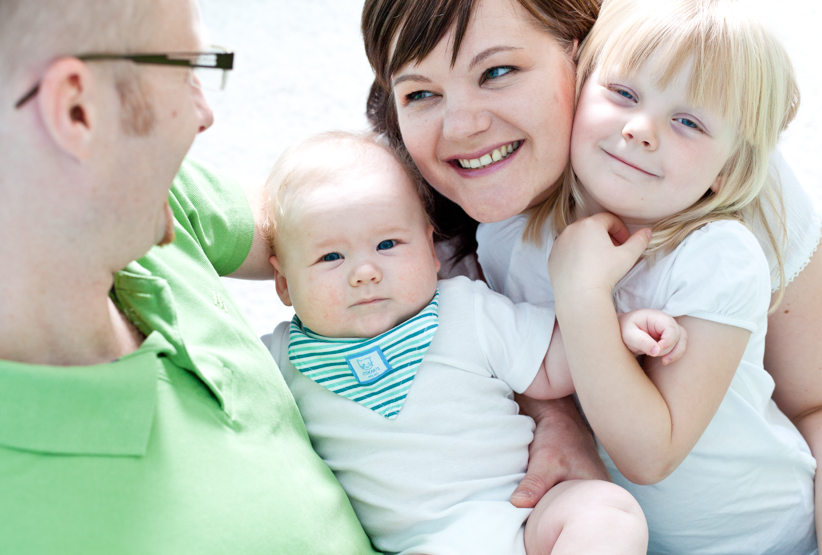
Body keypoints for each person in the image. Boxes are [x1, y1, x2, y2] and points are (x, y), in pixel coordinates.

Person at [361, 0, 822, 545]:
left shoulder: (723, 222)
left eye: (498, 71)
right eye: (421, 93)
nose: (462, 127)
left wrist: (583, 294)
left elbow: (661, 449)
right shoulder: (487, 232)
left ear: (579, 59)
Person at [0, 0, 377, 553]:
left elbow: (345, 221)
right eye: (188, 69)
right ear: (78, 112)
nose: (205, 113)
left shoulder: (137, 203)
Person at [477, 0, 816, 554]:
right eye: (624, 94)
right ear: (577, 90)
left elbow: (649, 454)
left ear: (726, 173)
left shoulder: (718, 256)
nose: (641, 130)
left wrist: (583, 291)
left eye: (689, 122)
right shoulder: (507, 233)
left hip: (764, 539)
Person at [261, 131, 679, 555]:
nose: (365, 272)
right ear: (283, 282)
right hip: (413, 547)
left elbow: (553, 365)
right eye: (331, 257)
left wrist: (616, 331)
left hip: (524, 521)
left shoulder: (466, 309)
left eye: (388, 244)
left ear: (430, 250)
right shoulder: (280, 361)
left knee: (606, 510)